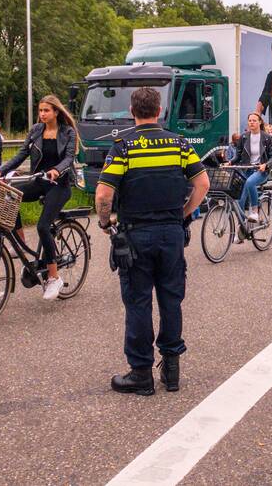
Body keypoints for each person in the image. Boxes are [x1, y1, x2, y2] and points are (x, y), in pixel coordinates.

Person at [95, 87, 209, 395]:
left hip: (136, 235)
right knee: (171, 300)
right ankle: (171, 371)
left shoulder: (123, 146)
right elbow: (202, 183)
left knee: (138, 302)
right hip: (171, 234)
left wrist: (106, 224)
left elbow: (104, 193)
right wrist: (184, 214)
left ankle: (141, 374)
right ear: (159, 111)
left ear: (132, 111)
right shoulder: (179, 144)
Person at [0, 95, 77, 300]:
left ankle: (54, 277)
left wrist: (57, 170)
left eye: (46, 110)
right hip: (39, 181)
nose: (42, 114)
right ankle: (19, 243)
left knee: (42, 227)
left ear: (56, 112)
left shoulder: (68, 132)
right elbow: (21, 155)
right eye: (40, 111)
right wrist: (1, 171)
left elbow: (69, 158)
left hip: (59, 184)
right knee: (9, 197)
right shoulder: (36, 130)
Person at [225, 112, 272, 223]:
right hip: (246, 170)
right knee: (240, 201)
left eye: (254, 120)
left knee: (250, 182)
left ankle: (255, 212)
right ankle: (242, 229)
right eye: (250, 121)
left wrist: (265, 165)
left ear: (260, 122)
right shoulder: (244, 137)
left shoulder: (267, 138)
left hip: (261, 171)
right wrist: (230, 162)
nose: (251, 123)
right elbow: (238, 156)